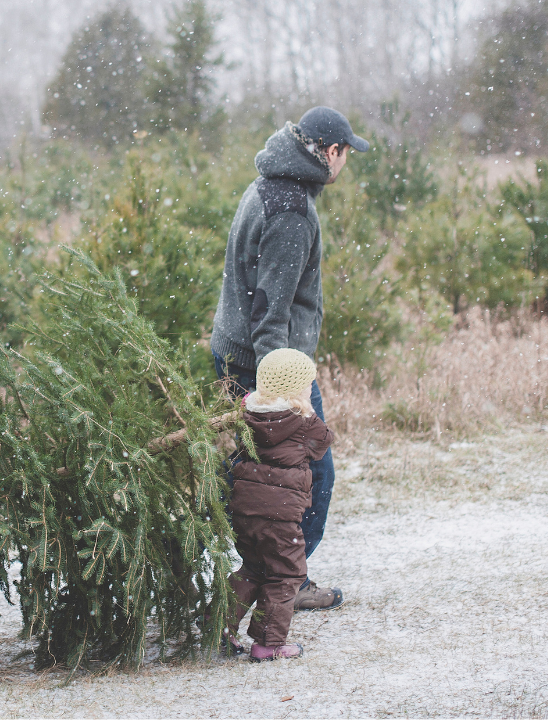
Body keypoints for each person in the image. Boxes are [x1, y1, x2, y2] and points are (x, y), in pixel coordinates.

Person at [209, 105, 367, 610]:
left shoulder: (266, 185)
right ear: (332, 152)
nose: (346, 163)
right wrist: (287, 396)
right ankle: (283, 580)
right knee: (311, 474)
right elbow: (270, 312)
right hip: (269, 365)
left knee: (254, 476)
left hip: (238, 355)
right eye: (347, 153)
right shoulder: (291, 212)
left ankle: (265, 575)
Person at [226, 348, 335, 661]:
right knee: (285, 575)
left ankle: (217, 624)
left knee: (252, 569)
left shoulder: (247, 412)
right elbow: (322, 445)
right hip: (281, 515)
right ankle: (269, 644)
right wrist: (309, 410)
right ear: (299, 389)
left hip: (245, 509)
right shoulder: (303, 422)